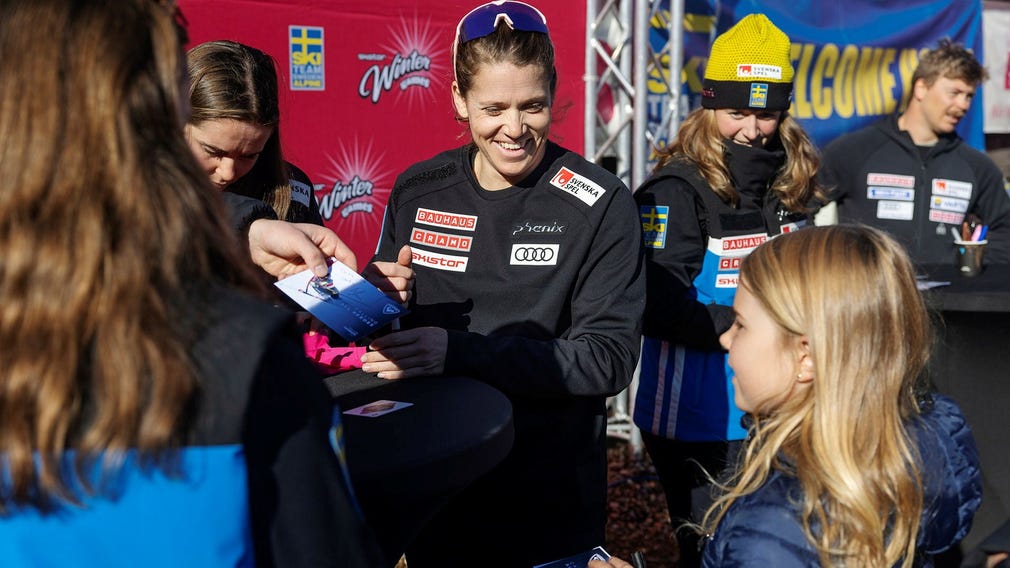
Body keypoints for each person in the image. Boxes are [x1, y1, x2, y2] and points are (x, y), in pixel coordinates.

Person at [0, 1, 380, 565]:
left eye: (249, 155)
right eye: (208, 149)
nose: (227, 172)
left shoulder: (285, 205)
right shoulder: (243, 358)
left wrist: (351, 295)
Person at [361, 0, 645, 565]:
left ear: (553, 94)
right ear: (459, 101)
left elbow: (607, 360)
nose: (515, 129)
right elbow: (390, 336)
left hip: (547, 506)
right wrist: (374, 297)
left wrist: (458, 352)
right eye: (494, 108)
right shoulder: (421, 188)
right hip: (438, 494)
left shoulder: (601, 202)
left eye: (532, 106)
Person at [593, 225, 982, 568]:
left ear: (806, 356)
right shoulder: (918, 446)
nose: (726, 338)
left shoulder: (774, 527)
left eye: (741, 325)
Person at [631, 13, 824, 565]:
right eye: (735, 111)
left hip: (784, 412)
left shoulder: (792, 182)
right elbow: (654, 296)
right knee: (715, 553)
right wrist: (738, 331)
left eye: (764, 114)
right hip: (698, 419)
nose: (749, 129)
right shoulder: (677, 189)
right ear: (709, 106)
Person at [820, 39, 1010, 266]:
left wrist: (975, 271)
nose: (963, 105)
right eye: (955, 92)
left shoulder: (977, 166)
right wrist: (829, 268)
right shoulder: (855, 150)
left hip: (951, 299)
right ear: (921, 88)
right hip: (870, 297)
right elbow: (798, 209)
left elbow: (1004, 230)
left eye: (969, 96)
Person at [186, 39, 323, 224]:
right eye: (214, 152)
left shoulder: (294, 190)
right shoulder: (139, 193)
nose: (228, 172)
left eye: (248, 156)